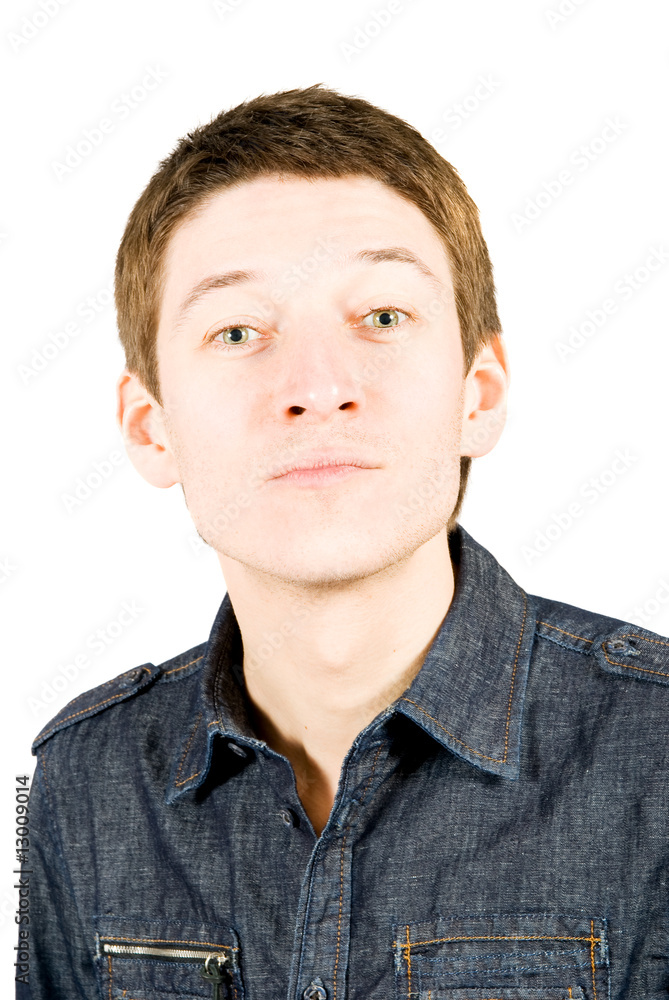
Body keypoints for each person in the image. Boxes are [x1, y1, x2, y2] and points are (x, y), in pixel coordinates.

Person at [20, 84, 669, 1000]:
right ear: (149, 426)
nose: (318, 387)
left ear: (478, 393)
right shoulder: (85, 780)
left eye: (382, 317)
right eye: (237, 330)